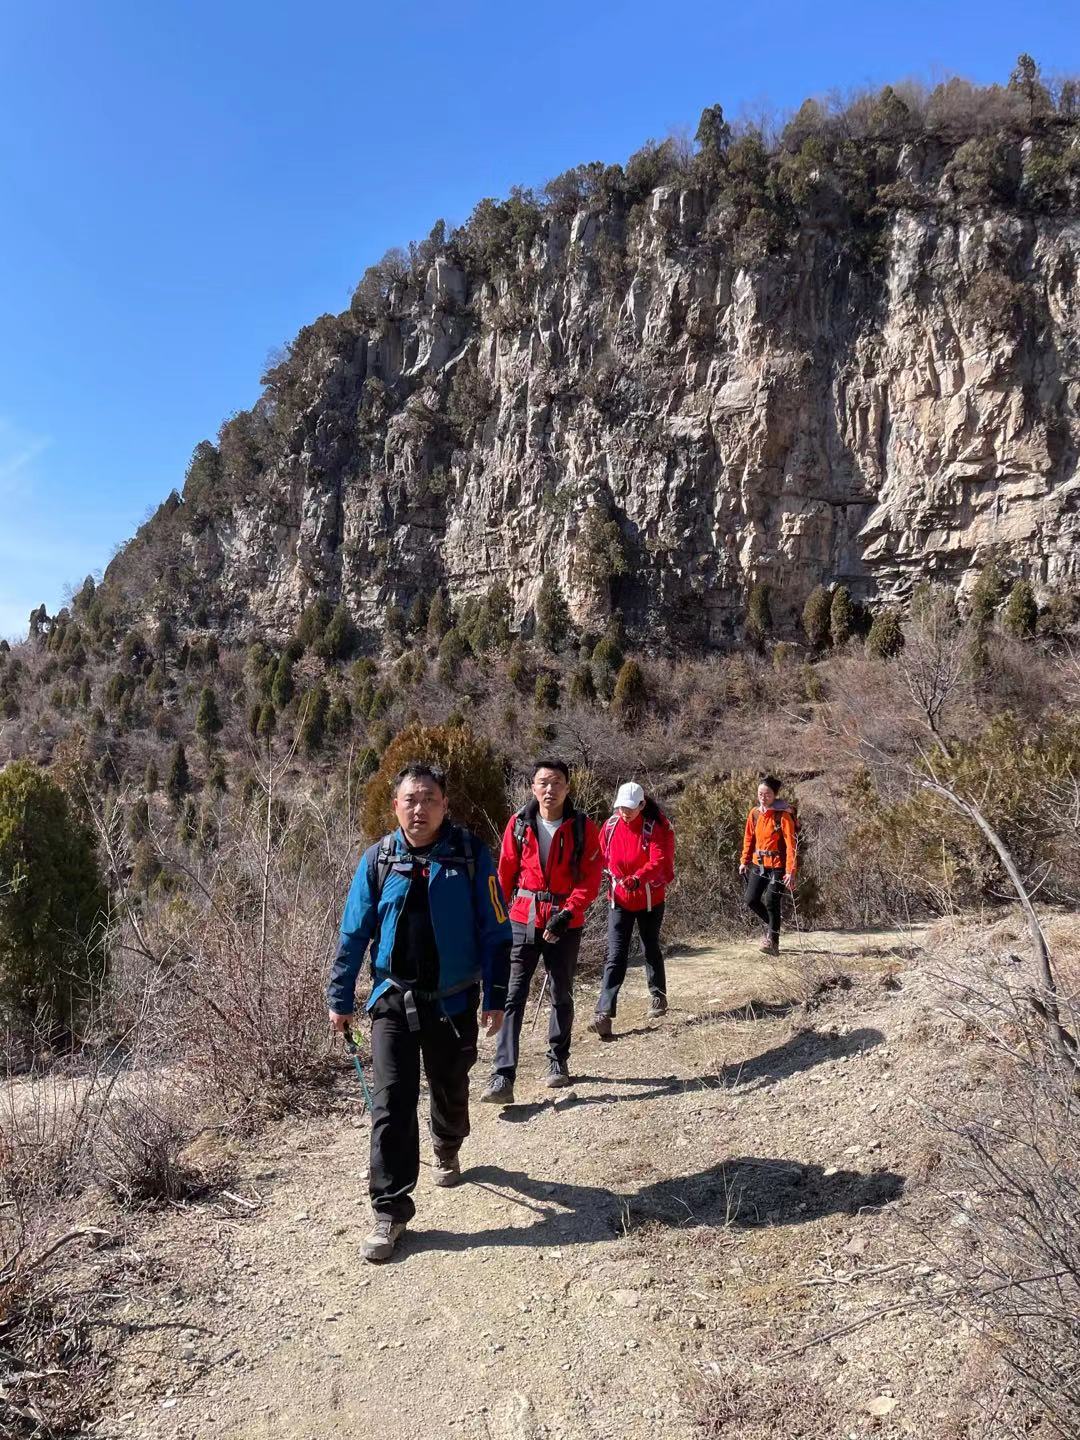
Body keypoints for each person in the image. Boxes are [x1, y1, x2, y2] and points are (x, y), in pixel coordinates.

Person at [328, 763, 511, 1263]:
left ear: (445, 805)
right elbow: (353, 932)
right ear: (396, 806)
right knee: (391, 1103)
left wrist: (495, 995)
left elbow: (497, 931)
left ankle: (448, 1143)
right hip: (392, 999)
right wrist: (339, 997)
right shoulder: (378, 859)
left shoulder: (470, 855)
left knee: (451, 1088)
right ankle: (390, 1209)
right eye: (410, 799)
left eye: (429, 798)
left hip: (453, 1000)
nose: (419, 808)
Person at [481, 758, 603, 1104]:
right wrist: (497, 921)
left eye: (557, 783)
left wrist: (567, 913)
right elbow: (504, 874)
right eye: (543, 783)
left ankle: (557, 1061)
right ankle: (502, 1075)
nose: (550, 790)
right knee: (513, 995)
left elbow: (591, 878)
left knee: (561, 993)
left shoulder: (582, 827)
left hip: (566, 920)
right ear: (533, 787)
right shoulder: (519, 824)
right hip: (523, 918)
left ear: (568, 787)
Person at [589, 782, 676, 1038]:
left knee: (650, 946)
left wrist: (638, 877)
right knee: (615, 956)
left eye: (629, 808)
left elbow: (658, 859)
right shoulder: (611, 825)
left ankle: (658, 995)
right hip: (619, 899)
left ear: (642, 805)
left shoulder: (655, 827)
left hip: (649, 898)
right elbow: (600, 854)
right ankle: (603, 1013)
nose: (624, 813)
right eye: (620, 808)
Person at [739, 773, 798, 956]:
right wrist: (744, 861)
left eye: (768, 794)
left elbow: (791, 845)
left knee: (771, 900)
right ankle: (774, 925)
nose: (763, 798)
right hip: (759, 864)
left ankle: (773, 943)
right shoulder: (754, 813)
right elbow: (749, 839)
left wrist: (790, 871)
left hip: (779, 866)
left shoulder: (783, 816)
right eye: (760, 794)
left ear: (775, 795)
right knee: (751, 900)